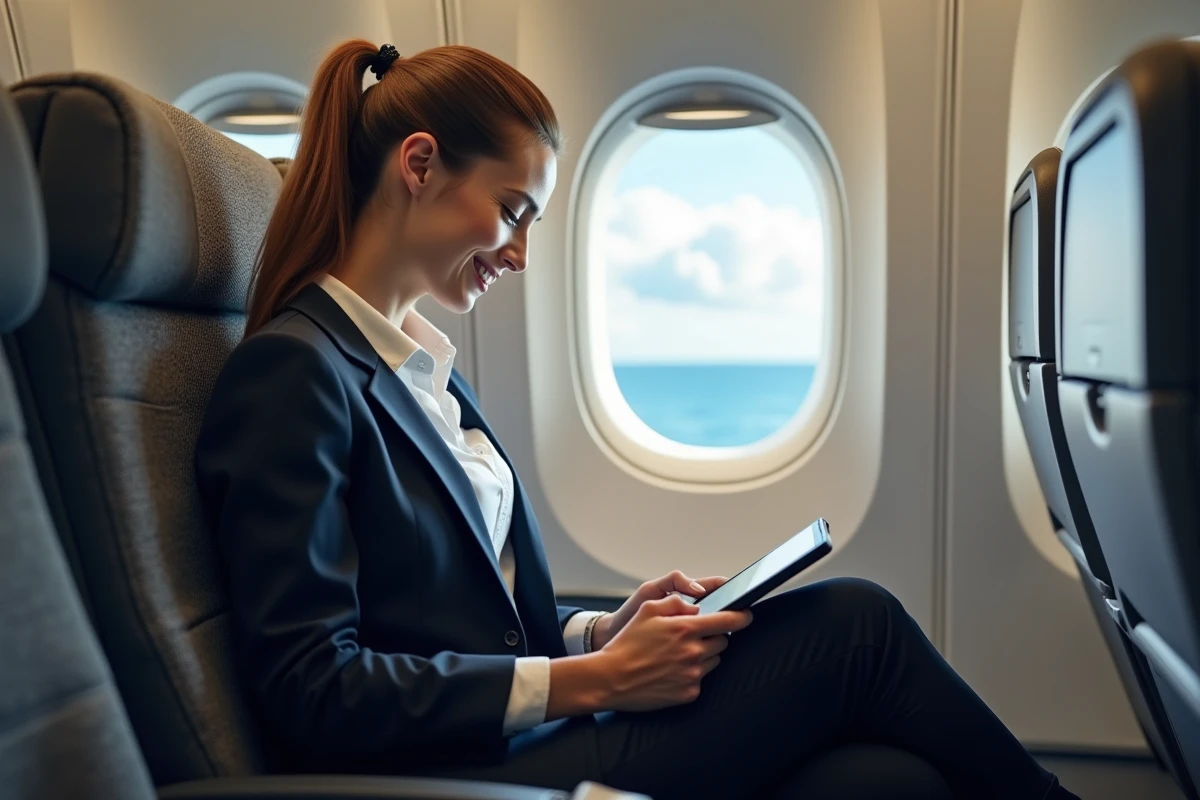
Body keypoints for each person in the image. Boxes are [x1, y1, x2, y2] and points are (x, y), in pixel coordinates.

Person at [194, 40, 1081, 800]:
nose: (521, 253)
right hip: (452, 773)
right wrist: (593, 681)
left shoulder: (418, 367)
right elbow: (311, 687)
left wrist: (599, 631)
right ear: (418, 165)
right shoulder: (294, 373)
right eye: (512, 211)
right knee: (858, 624)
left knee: (888, 783)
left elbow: (463, 614)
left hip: (505, 741)